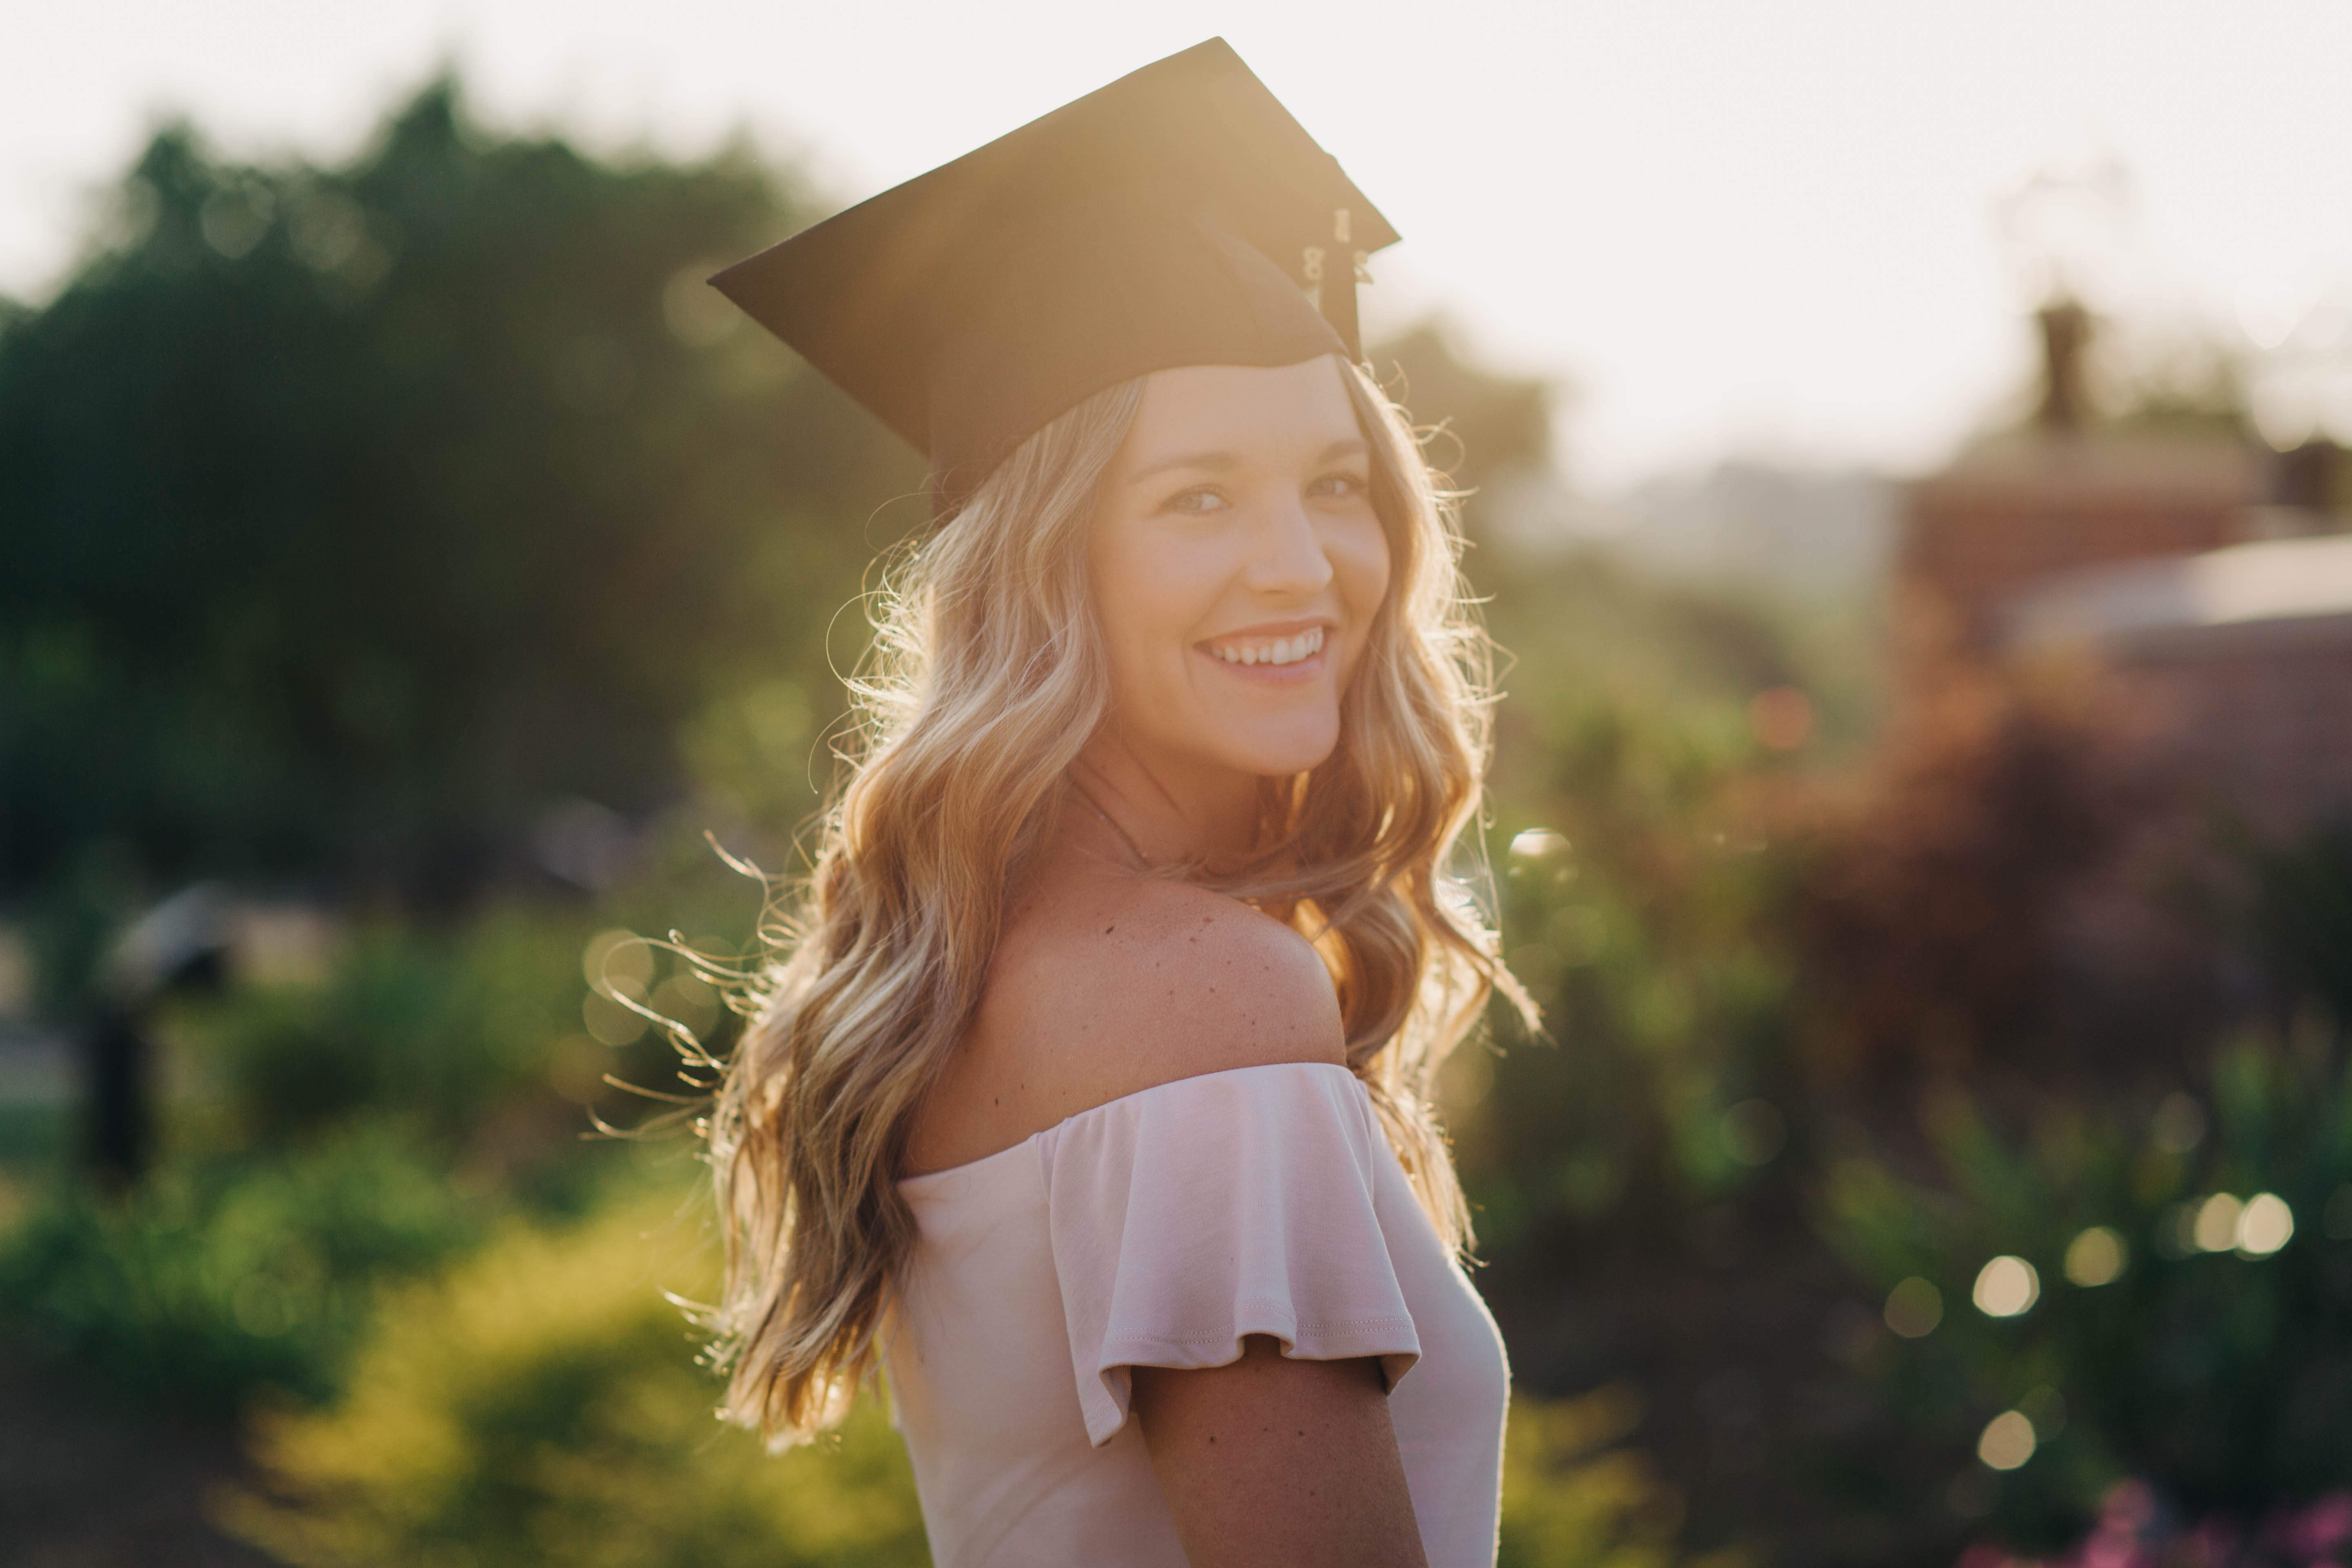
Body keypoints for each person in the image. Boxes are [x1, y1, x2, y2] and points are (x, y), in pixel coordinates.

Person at [700, 38, 1529, 1568]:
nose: (1301, 563)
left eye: (1337, 482)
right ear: (1044, 562)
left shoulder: (1009, 962)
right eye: (1197, 495)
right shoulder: (1197, 1001)